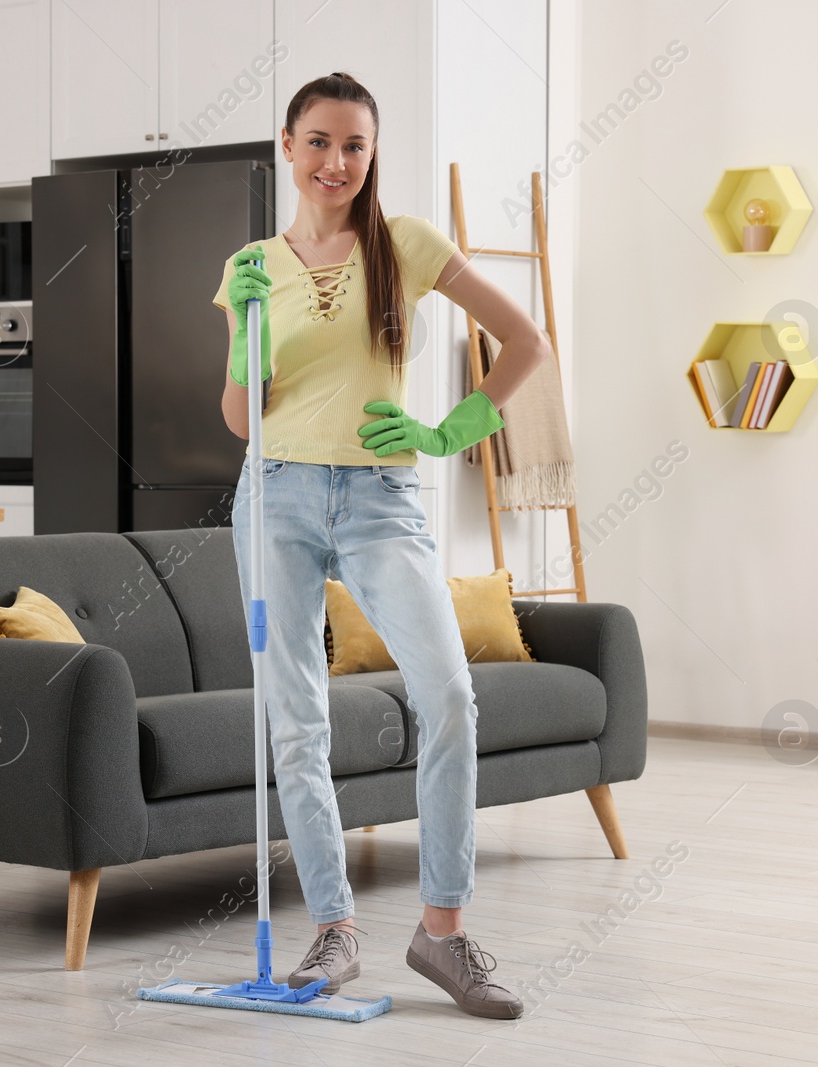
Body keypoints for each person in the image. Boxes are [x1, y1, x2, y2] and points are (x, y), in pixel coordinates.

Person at [213, 72, 554, 1020]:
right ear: (287, 146)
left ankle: (440, 934)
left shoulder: (403, 244)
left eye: (354, 145)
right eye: (318, 142)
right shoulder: (253, 264)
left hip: (380, 501)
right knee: (296, 715)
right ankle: (335, 927)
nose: (336, 162)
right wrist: (243, 337)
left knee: (448, 693)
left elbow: (525, 340)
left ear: (372, 153)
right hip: (273, 493)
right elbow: (242, 416)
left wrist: (449, 432)